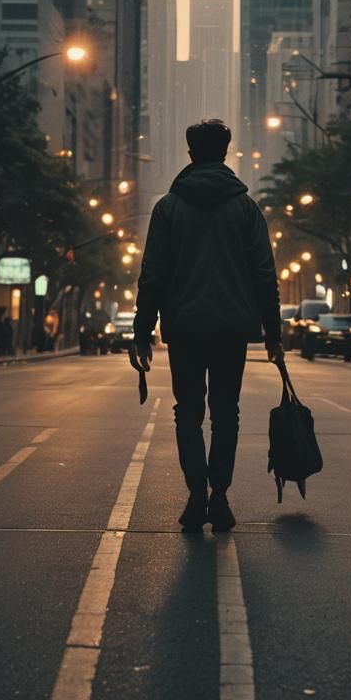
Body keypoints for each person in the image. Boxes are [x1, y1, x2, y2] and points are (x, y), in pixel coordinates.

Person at [133, 118, 283, 533]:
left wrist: (142, 331)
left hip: (183, 327)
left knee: (188, 413)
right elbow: (264, 273)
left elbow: (153, 274)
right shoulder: (246, 209)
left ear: (190, 153)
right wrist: (274, 333)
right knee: (226, 413)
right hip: (232, 328)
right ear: (225, 152)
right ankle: (220, 495)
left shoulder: (167, 208)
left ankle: (196, 492)